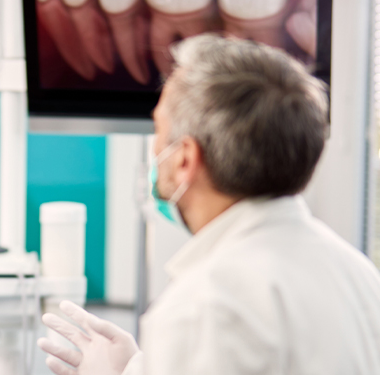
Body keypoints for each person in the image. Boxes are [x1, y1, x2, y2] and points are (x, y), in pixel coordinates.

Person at [38, 34, 380, 374]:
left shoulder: (204, 305)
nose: (155, 149)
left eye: (158, 129)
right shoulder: (358, 274)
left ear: (185, 158)